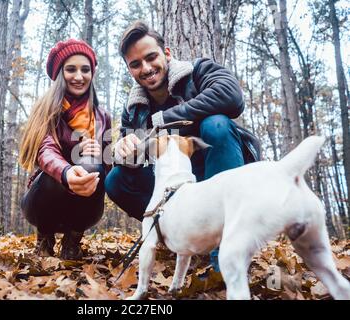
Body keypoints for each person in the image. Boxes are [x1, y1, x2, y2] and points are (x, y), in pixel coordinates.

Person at [105, 21, 261, 271]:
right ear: (129, 69)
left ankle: (227, 254)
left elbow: (231, 96)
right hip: (177, 188)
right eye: (135, 64)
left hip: (220, 174)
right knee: (116, 179)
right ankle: (178, 238)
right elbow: (132, 162)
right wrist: (123, 150)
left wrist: (165, 119)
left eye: (151, 57)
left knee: (216, 125)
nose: (146, 68)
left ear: (166, 54)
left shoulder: (198, 71)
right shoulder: (134, 109)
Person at [19, 39, 111, 260]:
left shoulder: (102, 117)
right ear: (60, 73)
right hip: (44, 198)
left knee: (92, 164)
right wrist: (67, 171)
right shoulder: (47, 108)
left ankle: (72, 241)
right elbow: (45, 150)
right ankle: (44, 238)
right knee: (58, 174)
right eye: (71, 69)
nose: (79, 76)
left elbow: (109, 166)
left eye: (85, 69)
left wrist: (102, 154)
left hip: (85, 205)